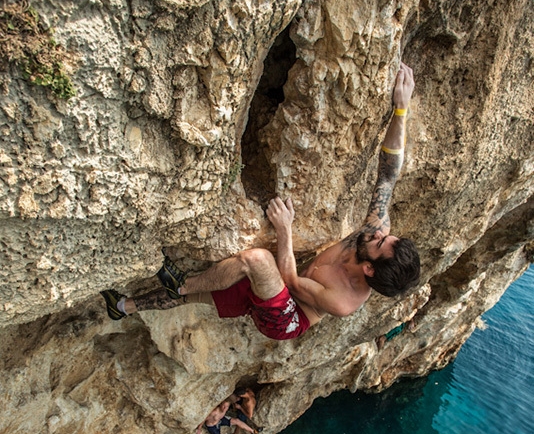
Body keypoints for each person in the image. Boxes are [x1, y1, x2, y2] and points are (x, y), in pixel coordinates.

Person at [101, 64, 420, 340]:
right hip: (281, 286)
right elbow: (388, 175)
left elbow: (293, 282)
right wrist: (400, 109)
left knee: (255, 260)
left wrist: (285, 230)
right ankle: (121, 307)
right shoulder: (374, 230)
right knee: (202, 295)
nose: (377, 232)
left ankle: (181, 283)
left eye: (380, 242)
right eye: (385, 234)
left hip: (286, 316)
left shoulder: (344, 302)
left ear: (368, 268)